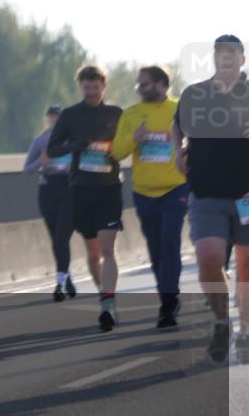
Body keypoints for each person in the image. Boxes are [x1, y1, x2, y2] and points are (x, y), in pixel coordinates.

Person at [173, 35, 249, 363]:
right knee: (208, 256)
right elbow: (177, 126)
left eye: (231, 54)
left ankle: (245, 329)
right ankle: (221, 321)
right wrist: (177, 151)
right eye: (220, 54)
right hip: (206, 189)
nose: (225, 59)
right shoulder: (195, 94)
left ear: (242, 60)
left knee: (246, 265)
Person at [47, 64, 124, 332]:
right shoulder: (70, 115)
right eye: (86, 87)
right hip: (81, 189)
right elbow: (52, 148)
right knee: (93, 253)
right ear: (81, 87)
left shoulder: (116, 114)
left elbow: (127, 144)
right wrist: (73, 146)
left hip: (110, 188)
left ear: (104, 86)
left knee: (107, 248)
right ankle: (104, 294)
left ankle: (107, 305)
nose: (91, 92)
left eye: (96, 87)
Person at [111, 66, 189, 328]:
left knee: (170, 239)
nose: (139, 89)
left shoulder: (180, 110)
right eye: (138, 85)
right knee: (156, 248)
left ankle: (169, 300)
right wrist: (135, 138)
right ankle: (165, 295)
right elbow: (117, 152)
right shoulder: (131, 114)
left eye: (144, 84)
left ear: (161, 85)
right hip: (144, 192)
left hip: (175, 188)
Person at [24, 105, 78, 302]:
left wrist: (75, 166)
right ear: (47, 119)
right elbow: (27, 169)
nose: (55, 121)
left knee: (62, 236)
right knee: (56, 239)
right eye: (51, 118)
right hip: (48, 190)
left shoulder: (72, 138)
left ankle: (59, 284)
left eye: (58, 117)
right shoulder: (40, 141)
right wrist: (41, 161)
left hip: (70, 190)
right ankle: (66, 276)